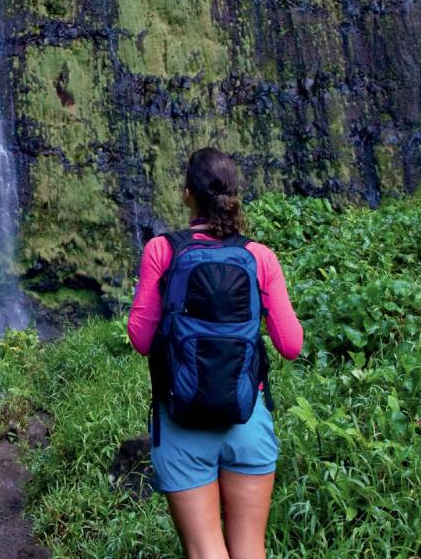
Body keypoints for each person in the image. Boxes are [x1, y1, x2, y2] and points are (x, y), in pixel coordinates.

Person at [127, 148, 303, 559]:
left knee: (207, 551)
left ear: (188, 194)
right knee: (249, 549)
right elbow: (291, 346)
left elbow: (140, 339)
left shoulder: (161, 250)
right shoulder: (260, 257)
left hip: (182, 418)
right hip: (246, 417)